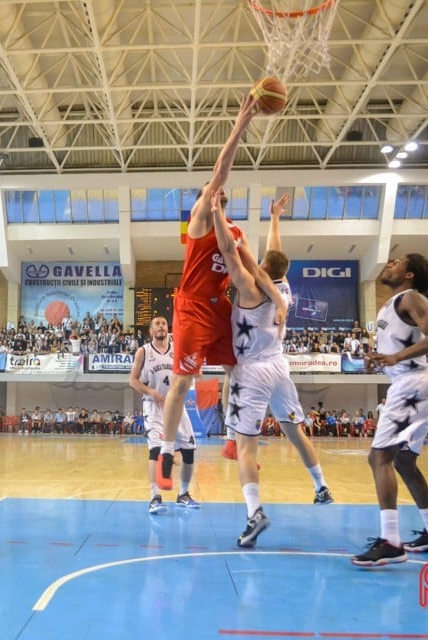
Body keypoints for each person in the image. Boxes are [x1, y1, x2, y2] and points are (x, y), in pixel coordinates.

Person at [157, 94, 289, 491]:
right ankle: (166, 452)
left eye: (218, 192)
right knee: (183, 382)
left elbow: (257, 269)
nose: (216, 191)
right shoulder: (199, 221)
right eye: (211, 189)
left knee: (242, 367)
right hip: (193, 308)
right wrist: (241, 124)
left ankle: (234, 439)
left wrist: (280, 298)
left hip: (222, 309)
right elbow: (221, 169)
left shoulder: (234, 231)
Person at [210, 191, 331, 548]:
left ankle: (254, 513)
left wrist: (217, 213)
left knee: (245, 449)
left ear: (262, 267)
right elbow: (275, 255)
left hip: (252, 370)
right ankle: (321, 486)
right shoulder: (284, 287)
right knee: (295, 432)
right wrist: (275, 218)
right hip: (280, 366)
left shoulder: (250, 288)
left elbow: (230, 253)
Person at [351, 255, 428, 567]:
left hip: (412, 384)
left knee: (379, 457)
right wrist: (381, 356)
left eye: (397, 262)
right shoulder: (391, 304)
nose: (389, 263)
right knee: (404, 463)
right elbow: (400, 345)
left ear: (409, 274)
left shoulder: (411, 298)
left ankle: (391, 542)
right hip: (411, 384)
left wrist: (397, 358)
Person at [129, 316, 200, 514]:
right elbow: (133, 381)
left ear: (167, 330)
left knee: (189, 450)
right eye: (156, 324)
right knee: (155, 451)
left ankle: (183, 494)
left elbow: (190, 370)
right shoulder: (143, 352)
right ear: (151, 331)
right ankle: (154, 497)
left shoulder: (178, 349)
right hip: (154, 407)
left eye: (163, 324)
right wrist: (151, 392)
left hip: (177, 406)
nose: (160, 326)